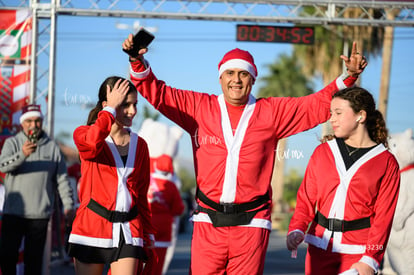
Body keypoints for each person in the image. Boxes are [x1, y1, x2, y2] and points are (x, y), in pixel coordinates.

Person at [122, 35, 367, 274]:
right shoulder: (199, 107)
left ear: (252, 79)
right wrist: (136, 61)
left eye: (243, 74)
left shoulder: (271, 112)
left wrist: (349, 76)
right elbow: (159, 93)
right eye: (230, 73)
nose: (236, 80)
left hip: (252, 225)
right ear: (220, 78)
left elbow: (314, 105)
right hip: (208, 223)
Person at [286, 87, 400, 275]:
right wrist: (296, 229)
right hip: (318, 249)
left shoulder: (386, 162)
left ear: (360, 116)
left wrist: (371, 259)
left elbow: (383, 218)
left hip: (358, 255)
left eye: (338, 113)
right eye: (331, 113)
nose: (332, 118)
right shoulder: (323, 152)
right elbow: (306, 198)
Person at [67, 76, 154, 275]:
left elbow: (141, 193)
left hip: (129, 231)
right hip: (91, 229)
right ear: (108, 105)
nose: (132, 111)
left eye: (134, 104)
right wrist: (109, 111)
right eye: (124, 105)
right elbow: (90, 146)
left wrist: (148, 234)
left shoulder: (140, 145)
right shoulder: (84, 133)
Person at [0, 104, 75, 275]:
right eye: (29, 121)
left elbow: (62, 179)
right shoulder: (13, 143)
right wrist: (22, 155)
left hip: (39, 216)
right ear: (22, 123)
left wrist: (69, 206)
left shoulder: (53, 148)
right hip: (13, 213)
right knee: (7, 258)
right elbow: (3, 166)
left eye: (37, 121)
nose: (34, 125)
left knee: (33, 263)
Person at [142, 154, 185, 275]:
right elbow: (178, 209)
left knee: (140, 261)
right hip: (163, 227)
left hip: (146, 223)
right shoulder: (171, 185)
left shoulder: (145, 179)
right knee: (158, 262)